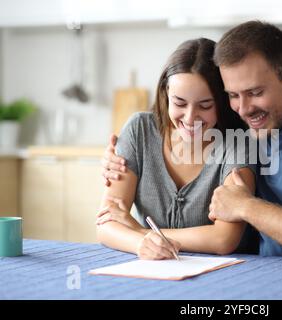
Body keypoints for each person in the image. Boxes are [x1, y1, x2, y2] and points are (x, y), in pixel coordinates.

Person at [103, 21, 282, 264]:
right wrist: (117, 160)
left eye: (255, 92)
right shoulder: (246, 129)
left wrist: (245, 206)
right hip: (264, 277)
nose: (243, 108)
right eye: (233, 96)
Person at [97, 38, 256, 260]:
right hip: (157, 269)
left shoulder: (237, 142)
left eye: (205, 105)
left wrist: (141, 232)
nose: (190, 118)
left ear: (221, 101)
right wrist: (139, 244)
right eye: (180, 103)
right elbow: (106, 222)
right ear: (165, 94)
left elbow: (223, 239)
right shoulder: (139, 130)